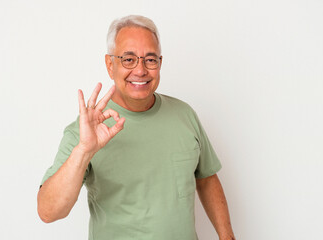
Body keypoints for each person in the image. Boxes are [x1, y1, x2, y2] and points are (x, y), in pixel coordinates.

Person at [37, 15, 235, 240]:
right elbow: (48, 212)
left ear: (160, 63)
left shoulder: (185, 115)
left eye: (150, 60)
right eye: (128, 59)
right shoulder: (85, 132)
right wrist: (84, 150)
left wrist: (226, 235)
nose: (140, 70)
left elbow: (206, 178)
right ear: (110, 65)